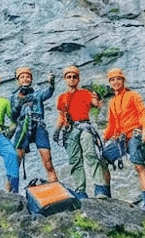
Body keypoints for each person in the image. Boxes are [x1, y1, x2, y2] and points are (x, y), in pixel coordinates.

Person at [54, 65, 109, 199]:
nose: (72, 79)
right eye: (69, 77)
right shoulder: (62, 97)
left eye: (74, 77)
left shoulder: (85, 93)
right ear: (65, 79)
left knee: (91, 155)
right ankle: (80, 191)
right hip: (70, 130)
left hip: (84, 127)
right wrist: (57, 130)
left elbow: (96, 105)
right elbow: (61, 115)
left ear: (78, 79)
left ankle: (100, 188)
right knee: (75, 160)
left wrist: (97, 97)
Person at [104, 67, 145, 210]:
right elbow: (112, 125)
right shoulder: (112, 102)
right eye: (112, 80)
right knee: (102, 159)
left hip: (134, 135)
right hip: (121, 139)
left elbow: (143, 113)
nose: (115, 82)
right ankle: (106, 197)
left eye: (118, 79)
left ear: (123, 80)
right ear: (110, 83)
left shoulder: (133, 95)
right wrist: (104, 138)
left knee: (139, 166)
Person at [9, 66, 59, 184]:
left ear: (31, 79)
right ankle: (9, 190)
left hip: (38, 127)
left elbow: (49, 92)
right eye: (22, 77)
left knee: (48, 161)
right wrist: (18, 104)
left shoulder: (38, 94)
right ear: (18, 80)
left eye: (28, 77)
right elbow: (13, 116)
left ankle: (55, 185)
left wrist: (51, 84)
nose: (25, 79)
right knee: (16, 162)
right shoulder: (13, 97)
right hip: (22, 128)